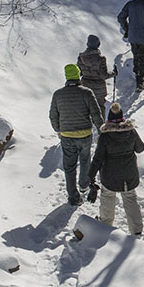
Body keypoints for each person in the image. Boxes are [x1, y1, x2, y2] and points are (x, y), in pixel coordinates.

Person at [49, 63, 104, 206]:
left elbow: (53, 116)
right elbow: (96, 114)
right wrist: (102, 129)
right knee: (85, 160)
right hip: (85, 134)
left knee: (69, 166)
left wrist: (59, 130)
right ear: (78, 75)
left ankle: (73, 196)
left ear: (67, 77)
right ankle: (84, 185)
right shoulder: (87, 93)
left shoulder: (58, 94)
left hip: (67, 136)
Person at [87, 101, 144, 235]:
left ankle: (105, 225)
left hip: (110, 175)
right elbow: (140, 148)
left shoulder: (105, 136)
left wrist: (91, 175)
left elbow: (98, 158)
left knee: (108, 197)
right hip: (129, 174)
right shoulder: (131, 132)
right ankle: (136, 229)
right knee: (130, 198)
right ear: (122, 117)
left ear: (109, 120)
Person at [77, 34, 114, 117]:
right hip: (99, 88)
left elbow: (79, 73)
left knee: (86, 108)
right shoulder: (101, 59)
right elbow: (104, 75)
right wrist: (113, 73)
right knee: (100, 109)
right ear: (98, 45)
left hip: (85, 87)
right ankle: (101, 128)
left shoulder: (81, 58)